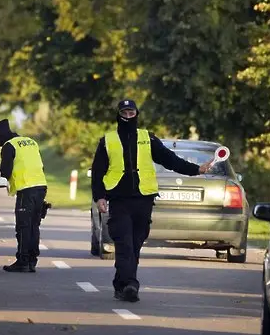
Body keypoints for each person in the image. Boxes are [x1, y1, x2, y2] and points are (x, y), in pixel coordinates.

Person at [91, 99, 212, 302]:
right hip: (119, 200)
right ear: (119, 115)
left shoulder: (148, 138)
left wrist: (195, 169)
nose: (129, 116)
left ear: (137, 114)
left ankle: (121, 284)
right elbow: (97, 172)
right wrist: (100, 197)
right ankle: (131, 284)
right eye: (125, 113)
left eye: (132, 113)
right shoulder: (107, 141)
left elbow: (170, 159)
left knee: (135, 243)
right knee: (124, 244)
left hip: (144, 200)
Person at [0, 119, 48, 273]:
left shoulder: (9, 146)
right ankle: (32, 260)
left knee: (23, 226)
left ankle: (22, 260)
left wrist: (0, 180)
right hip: (41, 186)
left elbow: (5, 172)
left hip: (25, 189)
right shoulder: (30, 142)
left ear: (1, 134)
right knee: (34, 225)